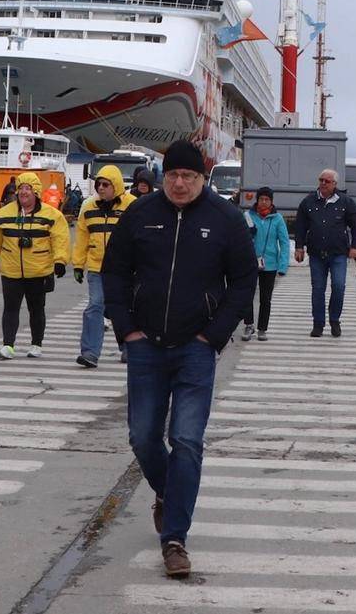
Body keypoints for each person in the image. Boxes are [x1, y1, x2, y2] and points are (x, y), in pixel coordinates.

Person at [102, 139, 256, 579]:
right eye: (173, 176)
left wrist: (214, 335)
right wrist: (125, 328)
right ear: (162, 176)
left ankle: (174, 540)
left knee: (187, 440)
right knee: (142, 437)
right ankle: (171, 494)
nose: (180, 184)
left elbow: (243, 282)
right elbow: (114, 271)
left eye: (188, 176)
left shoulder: (225, 219)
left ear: (202, 178)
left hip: (196, 348)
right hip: (145, 344)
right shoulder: (140, 214)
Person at [0, 170, 70, 360]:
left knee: (36, 309)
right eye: (21, 189)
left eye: (28, 189)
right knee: (10, 308)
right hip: (11, 271)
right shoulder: (4, 214)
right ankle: (8, 345)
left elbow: (60, 239)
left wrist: (60, 261)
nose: (23, 192)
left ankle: (36, 344)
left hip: (39, 271)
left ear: (36, 192)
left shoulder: (52, 215)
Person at [72, 165, 136, 368]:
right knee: (95, 307)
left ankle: (128, 347)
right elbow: (82, 236)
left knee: (125, 308)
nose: (100, 188)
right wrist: (78, 264)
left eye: (105, 184)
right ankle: (90, 353)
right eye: (98, 184)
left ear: (115, 185)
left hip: (124, 269)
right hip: (97, 267)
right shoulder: (89, 208)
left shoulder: (132, 206)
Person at [293, 168, 356, 338]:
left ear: (335, 184)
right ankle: (318, 324)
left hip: (338, 253)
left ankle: (334, 320)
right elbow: (300, 226)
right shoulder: (308, 202)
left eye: (327, 181)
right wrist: (299, 247)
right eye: (321, 180)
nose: (323, 183)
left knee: (338, 287)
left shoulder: (346, 202)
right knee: (318, 289)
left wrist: (355, 246)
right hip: (316, 254)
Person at [241, 186, 290, 342]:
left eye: (267, 199)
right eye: (261, 199)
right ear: (257, 200)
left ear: (271, 201)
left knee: (265, 298)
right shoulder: (247, 216)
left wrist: (283, 266)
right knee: (247, 296)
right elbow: (238, 239)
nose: (264, 202)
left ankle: (262, 329)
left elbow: (284, 242)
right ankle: (249, 325)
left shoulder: (277, 219)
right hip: (249, 262)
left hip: (270, 264)